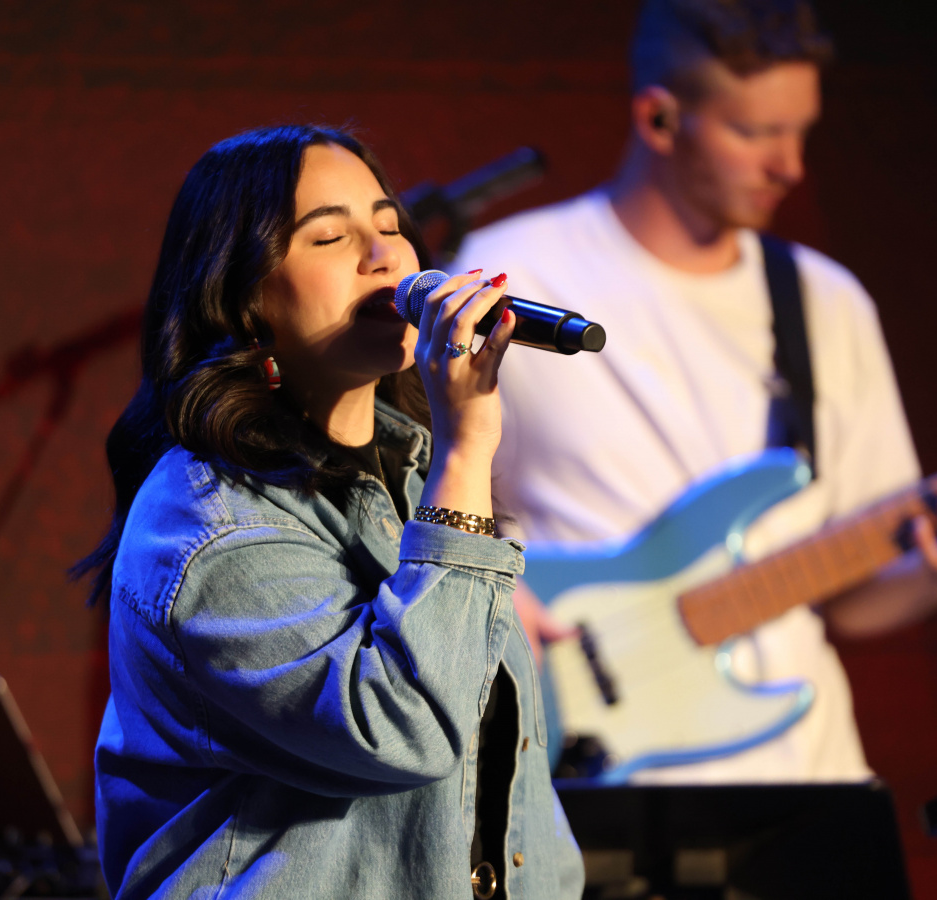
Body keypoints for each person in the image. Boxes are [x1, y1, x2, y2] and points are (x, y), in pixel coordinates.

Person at [452, 0, 937, 783]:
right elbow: (416, 500)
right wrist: (481, 594)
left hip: (808, 776)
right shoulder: (515, 276)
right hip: (592, 780)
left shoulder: (823, 300)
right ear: (658, 120)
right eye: (755, 133)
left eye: (800, 131)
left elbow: (852, 599)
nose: (790, 165)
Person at [76, 125, 584, 899]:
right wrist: (466, 451)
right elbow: (404, 728)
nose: (384, 256)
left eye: (389, 225)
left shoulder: (412, 479)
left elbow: (502, 779)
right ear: (244, 298)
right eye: (329, 236)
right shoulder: (208, 527)